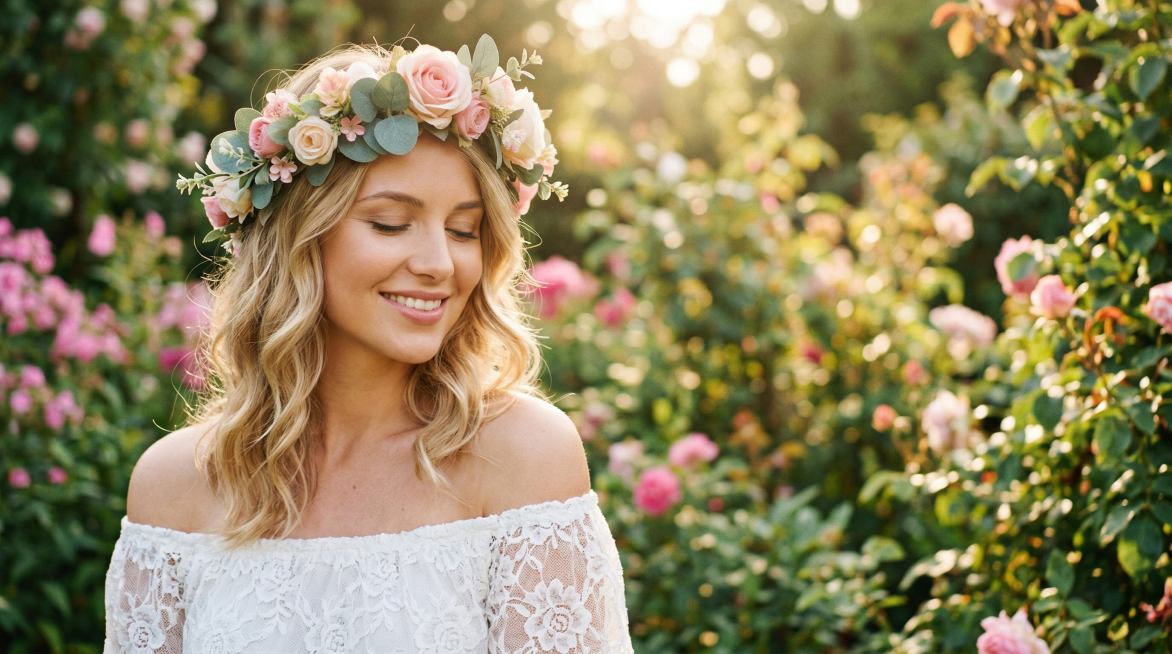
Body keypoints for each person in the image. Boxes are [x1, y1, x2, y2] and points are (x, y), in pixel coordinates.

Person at [102, 38, 632, 653]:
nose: (440, 263)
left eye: (464, 230)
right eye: (390, 223)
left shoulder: (523, 461)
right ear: (300, 238)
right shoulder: (173, 489)